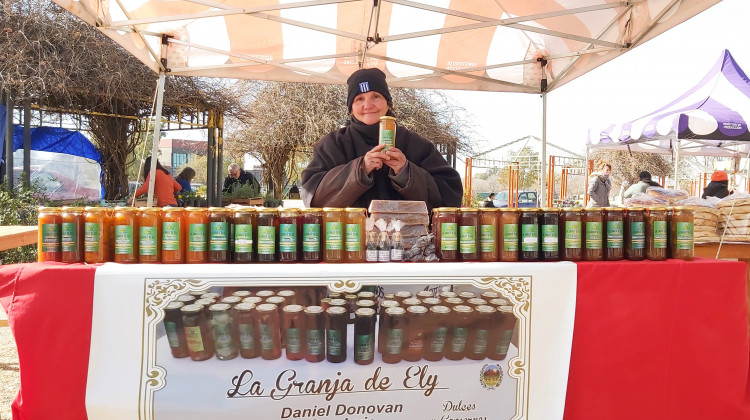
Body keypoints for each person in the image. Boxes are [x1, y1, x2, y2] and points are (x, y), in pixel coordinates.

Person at [301, 68, 463, 209]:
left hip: (407, 242)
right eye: (359, 99)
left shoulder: (416, 144)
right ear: (351, 108)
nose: (368, 105)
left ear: (388, 103)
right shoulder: (331, 145)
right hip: (346, 240)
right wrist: (360, 169)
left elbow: (450, 195)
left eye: (376, 96)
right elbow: (313, 198)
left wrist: (406, 172)